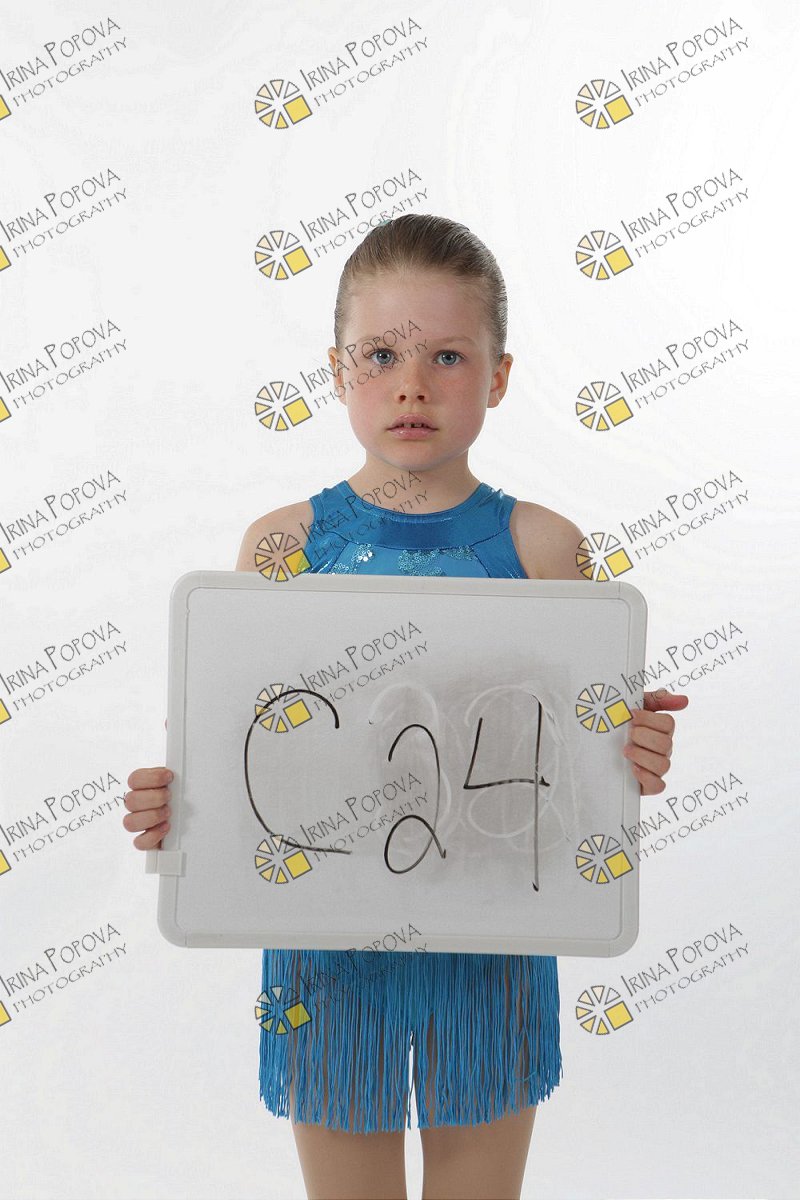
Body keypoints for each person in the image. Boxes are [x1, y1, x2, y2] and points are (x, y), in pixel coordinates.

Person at [124, 213, 687, 1200]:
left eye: (447, 357)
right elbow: (236, 751)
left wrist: (628, 753)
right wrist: (179, 807)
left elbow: (573, 775)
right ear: (337, 372)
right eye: (380, 355)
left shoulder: (545, 548)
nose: (411, 385)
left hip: (493, 939)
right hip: (325, 952)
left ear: (498, 377)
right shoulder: (281, 546)